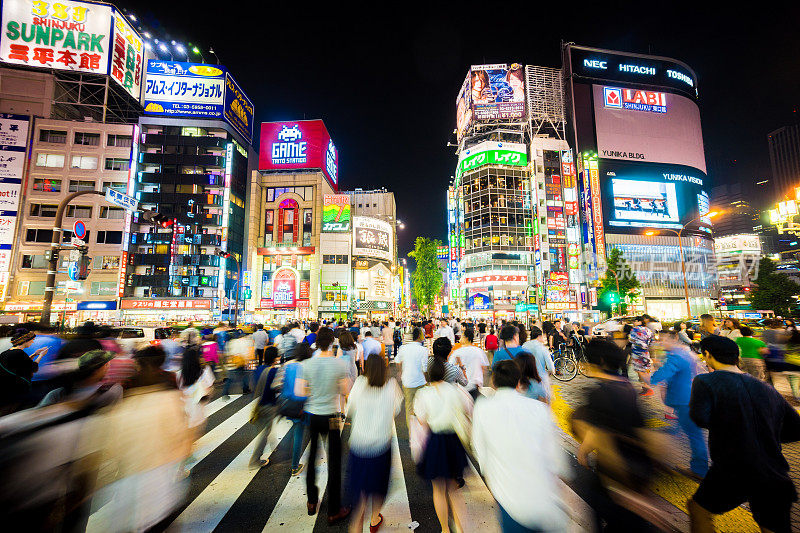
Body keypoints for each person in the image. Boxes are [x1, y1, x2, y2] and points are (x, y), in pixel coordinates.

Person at [688, 335, 800, 533]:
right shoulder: (766, 387)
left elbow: (700, 417)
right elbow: (795, 428)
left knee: (698, 509)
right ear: (736, 357)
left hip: (733, 468)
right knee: (772, 527)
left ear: (707, 354)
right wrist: (766, 434)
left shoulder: (705, 381)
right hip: (774, 471)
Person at [473, 360, 569, 531]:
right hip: (544, 500)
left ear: (493, 382)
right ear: (519, 382)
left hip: (509, 500)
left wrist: (490, 475)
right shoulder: (540, 409)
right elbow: (557, 460)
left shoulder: (483, 408)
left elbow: (480, 450)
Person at [295, 327, 351, 524]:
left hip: (313, 414)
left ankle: (311, 500)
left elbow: (300, 392)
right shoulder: (338, 365)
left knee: (311, 457)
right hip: (331, 415)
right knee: (334, 461)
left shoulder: (307, 365)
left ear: (317, 342)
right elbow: (346, 390)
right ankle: (334, 510)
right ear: (332, 343)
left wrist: (313, 390)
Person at [345, 353, 403, 533]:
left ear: (366, 369)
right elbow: (396, 410)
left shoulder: (360, 384)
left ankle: (360, 522)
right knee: (378, 489)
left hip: (358, 446)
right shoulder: (391, 386)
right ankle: (375, 518)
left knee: (360, 500)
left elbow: (349, 409)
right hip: (381, 448)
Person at [414, 358, 471, 533]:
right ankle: (461, 528)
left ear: (428, 375)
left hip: (436, 442)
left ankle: (445, 529)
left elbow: (422, 421)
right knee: (454, 489)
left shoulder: (423, 394)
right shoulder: (454, 391)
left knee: (438, 490)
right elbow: (465, 411)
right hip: (453, 441)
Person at [650, 331, 709, 479]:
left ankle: (699, 469)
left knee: (694, 435)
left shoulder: (676, 357)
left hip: (684, 400)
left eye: (663, 340)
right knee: (683, 431)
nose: (660, 343)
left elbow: (661, 375)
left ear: (674, 339)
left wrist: (648, 378)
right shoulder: (684, 353)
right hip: (687, 397)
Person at [276, 342, 312, 476]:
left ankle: (285, 450)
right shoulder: (306, 367)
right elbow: (306, 389)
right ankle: (295, 466)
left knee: (295, 428)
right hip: (301, 405)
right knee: (299, 433)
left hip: (286, 403)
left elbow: (278, 384)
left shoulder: (287, 365)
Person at [0, 329, 48, 413]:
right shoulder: (20, 353)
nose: (32, 342)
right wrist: (41, 356)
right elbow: (34, 368)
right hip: (16, 389)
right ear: (25, 340)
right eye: (32, 340)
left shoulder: (6, 353)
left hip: (5, 387)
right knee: (10, 410)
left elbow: (22, 364)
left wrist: (34, 354)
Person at [250, 346, 281, 469]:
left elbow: (253, 386)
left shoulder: (258, 369)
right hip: (268, 404)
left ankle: (275, 445)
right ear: (274, 358)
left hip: (258, 404)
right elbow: (277, 388)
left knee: (265, 429)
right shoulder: (273, 371)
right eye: (277, 356)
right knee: (265, 432)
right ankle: (254, 460)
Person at [395, 327, 428, 428]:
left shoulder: (404, 348)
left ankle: (412, 433)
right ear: (419, 336)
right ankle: (421, 432)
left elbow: (397, 360)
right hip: (421, 382)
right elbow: (425, 368)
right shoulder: (423, 350)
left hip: (408, 381)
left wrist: (401, 371)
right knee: (421, 408)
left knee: (409, 407)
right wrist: (428, 381)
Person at [449, 329, 489, 399]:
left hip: (461, 388)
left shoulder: (456, 352)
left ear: (466, 338)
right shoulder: (478, 351)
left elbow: (450, 369)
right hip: (475, 386)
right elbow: (484, 369)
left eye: (462, 336)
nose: (460, 338)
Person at [521, 325, 556, 401]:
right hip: (541, 380)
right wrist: (550, 372)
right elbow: (550, 367)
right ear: (539, 336)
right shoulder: (542, 348)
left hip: (527, 382)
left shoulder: (524, 346)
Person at [629, 316, 655, 396]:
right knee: (645, 370)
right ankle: (646, 387)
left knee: (639, 370)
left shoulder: (634, 329)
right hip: (645, 352)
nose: (634, 322)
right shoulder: (648, 330)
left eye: (636, 321)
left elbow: (631, 339)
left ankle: (647, 388)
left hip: (637, 352)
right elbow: (652, 341)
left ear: (640, 322)